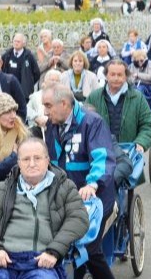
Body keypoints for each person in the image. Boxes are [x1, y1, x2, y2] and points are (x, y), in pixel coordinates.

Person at [0, 138, 89, 279]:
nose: (32, 164)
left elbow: (78, 219)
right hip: (3, 260)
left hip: (41, 262)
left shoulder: (65, 187)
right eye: (26, 159)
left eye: (37, 158)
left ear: (47, 160)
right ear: (18, 163)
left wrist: (54, 251)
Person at [42, 84, 116, 279]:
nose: (45, 111)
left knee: (88, 248)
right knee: (70, 246)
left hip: (95, 196)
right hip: (65, 195)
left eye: (48, 105)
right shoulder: (52, 124)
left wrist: (92, 183)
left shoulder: (92, 122)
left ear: (64, 103)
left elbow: (102, 157)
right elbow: (51, 159)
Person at [86, 59, 151, 185]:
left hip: (127, 153)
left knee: (124, 191)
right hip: (101, 153)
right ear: (106, 75)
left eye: (120, 75)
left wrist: (140, 143)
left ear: (126, 76)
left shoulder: (137, 98)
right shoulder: (94, 97)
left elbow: (148, 125)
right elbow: (85, 122)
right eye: (112, 74)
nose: (116, 78)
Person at [2, 33, 41, 99]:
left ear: (23, 43)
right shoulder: (7, 55)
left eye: (18, 41)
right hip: (8, 91)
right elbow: (1, 69)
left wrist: (28, 83)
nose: (16, 43)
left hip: (23, 92)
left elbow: (36, 73)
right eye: (15, 41)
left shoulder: (29, 56)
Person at [26, 70, 63, 138]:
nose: (54, 83)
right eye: (52, 80)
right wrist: (36, 117)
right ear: (45, 82)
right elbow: (27, 109)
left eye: (57, 81)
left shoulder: (64, 96)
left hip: (58, 127)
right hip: (39, 128)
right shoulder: (36, 96)